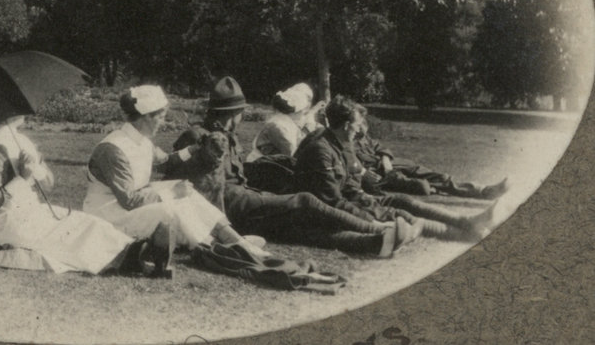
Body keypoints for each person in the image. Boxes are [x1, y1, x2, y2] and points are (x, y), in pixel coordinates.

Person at [168, 77, 418, 258]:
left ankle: (373, 243)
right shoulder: (196, 136)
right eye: (240, 112)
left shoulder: (229, 137)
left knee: (299, 227)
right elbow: (176, 178)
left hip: (244, 204)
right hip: (226, 207)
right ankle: (374, 227)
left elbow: (238, 176)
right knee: (305, 201)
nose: (241, 117)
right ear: (233, 113)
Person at [84, 85, 271, 265]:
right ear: (147, 117)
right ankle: (214, 248)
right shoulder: (113, 149)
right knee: (172, 208)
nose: (163, 122)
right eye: (161, 117)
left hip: (130, 206)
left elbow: (165, 161)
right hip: (109, 216)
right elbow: (129, 200)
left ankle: (236, 240)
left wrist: (193, 149)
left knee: (187, 190)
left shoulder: (141, 141)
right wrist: (171, 193)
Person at [0, 114, 172, 277]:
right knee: (72, 238)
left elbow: (49, 184)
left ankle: (139, 252)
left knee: (87, 223)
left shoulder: (21, 140)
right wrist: (23, 177)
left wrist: (36, 169)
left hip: (33, 213)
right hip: (8, 225)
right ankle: (139, 256)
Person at [294, 96, 500, 241]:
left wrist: (368, 197)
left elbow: (351, 184)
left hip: (351, 198)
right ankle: (465, 232)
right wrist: (371, 214)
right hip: (328, 213)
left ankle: (466, 221)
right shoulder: (321, 150)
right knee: (396, 213)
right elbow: (332, 201)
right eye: (357, 125)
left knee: (403, 200)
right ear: (346, 125)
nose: (359, 130)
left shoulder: (341, 142)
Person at [353, 122, 510, 199]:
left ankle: (482, 190)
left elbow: (379, 146)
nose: (363, 126)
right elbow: (353, 165)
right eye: (360, 122)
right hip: (380, 176)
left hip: (392, 165)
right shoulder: (344, 141)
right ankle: (439, 189)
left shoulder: (361, 137)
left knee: (434, 175)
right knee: (423, 187)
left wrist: (386, 158)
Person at [246, 82, 324, 161]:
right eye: (303, 111)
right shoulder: (278, 125)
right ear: (296, 111)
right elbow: (293, 153)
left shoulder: (287, 121)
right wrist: (308, 128)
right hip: (262, 165)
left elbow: (298, 138)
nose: (304, 114)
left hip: (276, 163)